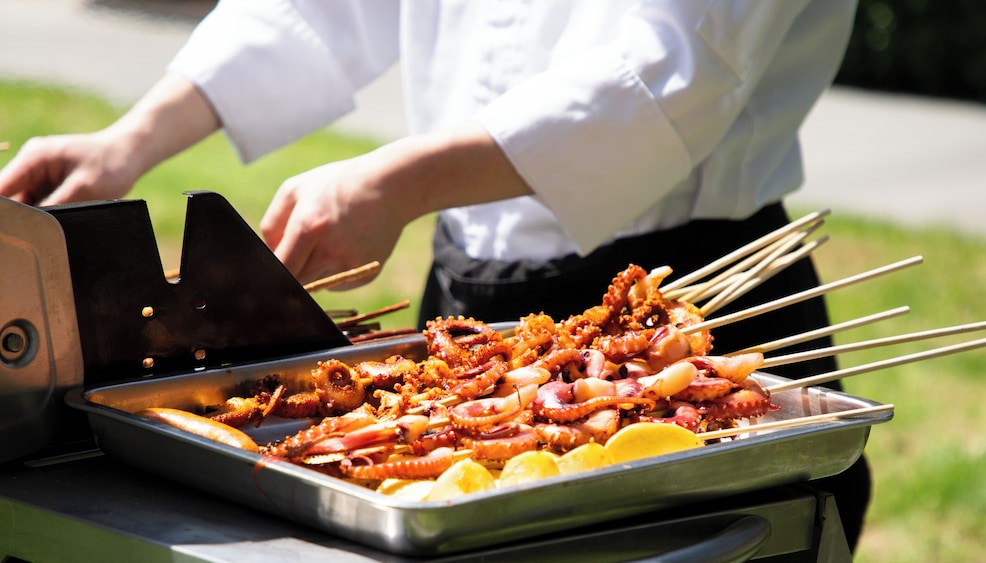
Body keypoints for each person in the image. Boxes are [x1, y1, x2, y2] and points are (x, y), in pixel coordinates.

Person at [0, 0, 869, 552]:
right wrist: (132, 139)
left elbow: (673, 68)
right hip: (470, 314)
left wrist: (401, 182)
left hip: (699, 306)